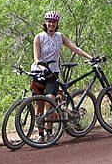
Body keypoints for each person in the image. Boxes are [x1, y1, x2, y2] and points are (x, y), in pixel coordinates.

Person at [30, 10, 92, 139]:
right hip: (39, 73)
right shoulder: (39, 37)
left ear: (57, 23)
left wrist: (90, 57)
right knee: (39, 104)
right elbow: (36, 57)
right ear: (45, 23)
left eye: (54, 22)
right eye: (49, 21)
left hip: (53, 73)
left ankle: (49, 133)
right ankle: (40, 135)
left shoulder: (60, 37)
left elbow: (75, 48)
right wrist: (42, 67)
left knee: (51, 101)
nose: (51, 24)